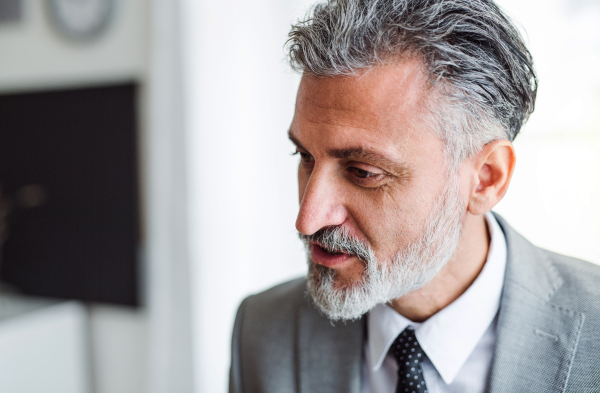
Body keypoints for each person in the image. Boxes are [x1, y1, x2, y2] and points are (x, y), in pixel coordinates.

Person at [229, 0, 600, 392]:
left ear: (486, 179)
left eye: (363, 172)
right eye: (305, 156)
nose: (308, 217)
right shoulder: (262, 331)